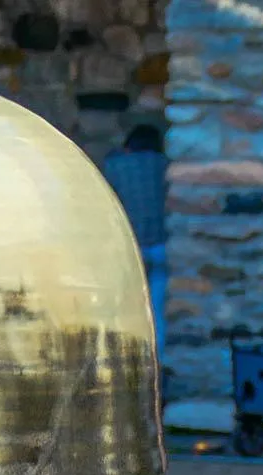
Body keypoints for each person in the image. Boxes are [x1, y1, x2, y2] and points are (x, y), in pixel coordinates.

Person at [102, 125, 168, 363]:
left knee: (125, 311)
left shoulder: (114, 166)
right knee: (159, 313)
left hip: (129, 248)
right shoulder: (165, 166)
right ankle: (157, 363)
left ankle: (128, 362)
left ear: (128, 146)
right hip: (161, 246)